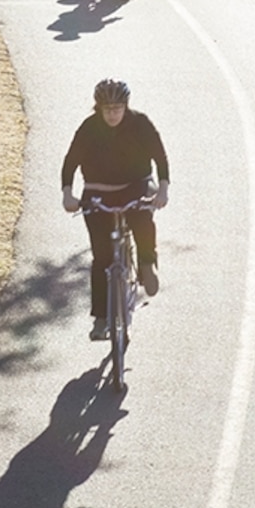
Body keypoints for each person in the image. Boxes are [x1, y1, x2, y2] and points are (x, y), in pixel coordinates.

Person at [62, 77, 168, 338]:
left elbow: (160, 156)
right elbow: (71, 161)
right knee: (102, 258)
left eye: (117, 108)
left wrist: (163, 189)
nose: (112, 114)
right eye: (107, 109)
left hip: (136, 186)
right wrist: (68, 193)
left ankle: (146, 263)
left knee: (142, 220)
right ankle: (100, 318)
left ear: (126, 106)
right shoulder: (89, 128)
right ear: (97, 108)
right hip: (99, 191)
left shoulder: (140, 124)